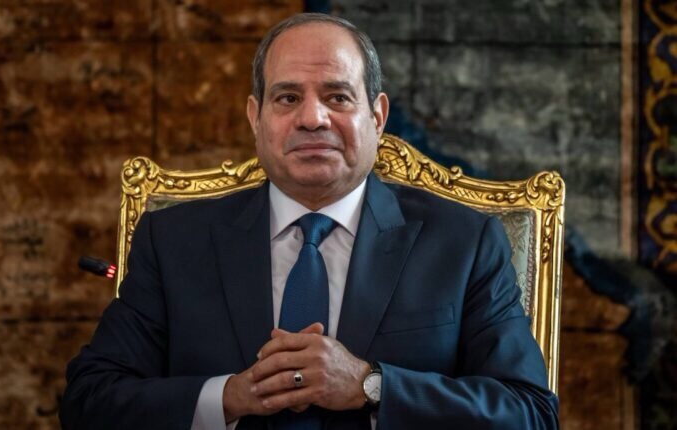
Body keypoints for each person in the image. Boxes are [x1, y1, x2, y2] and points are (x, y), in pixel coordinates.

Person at [60, 13, 559, 430]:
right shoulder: (173, 242)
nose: (312, 118)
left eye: (338, 96)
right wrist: (228, 397)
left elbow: (530, 413)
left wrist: (372, 386)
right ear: (255, 117)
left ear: (377, 116)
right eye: (287, 98)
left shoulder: (464, 242)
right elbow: (89, 402)